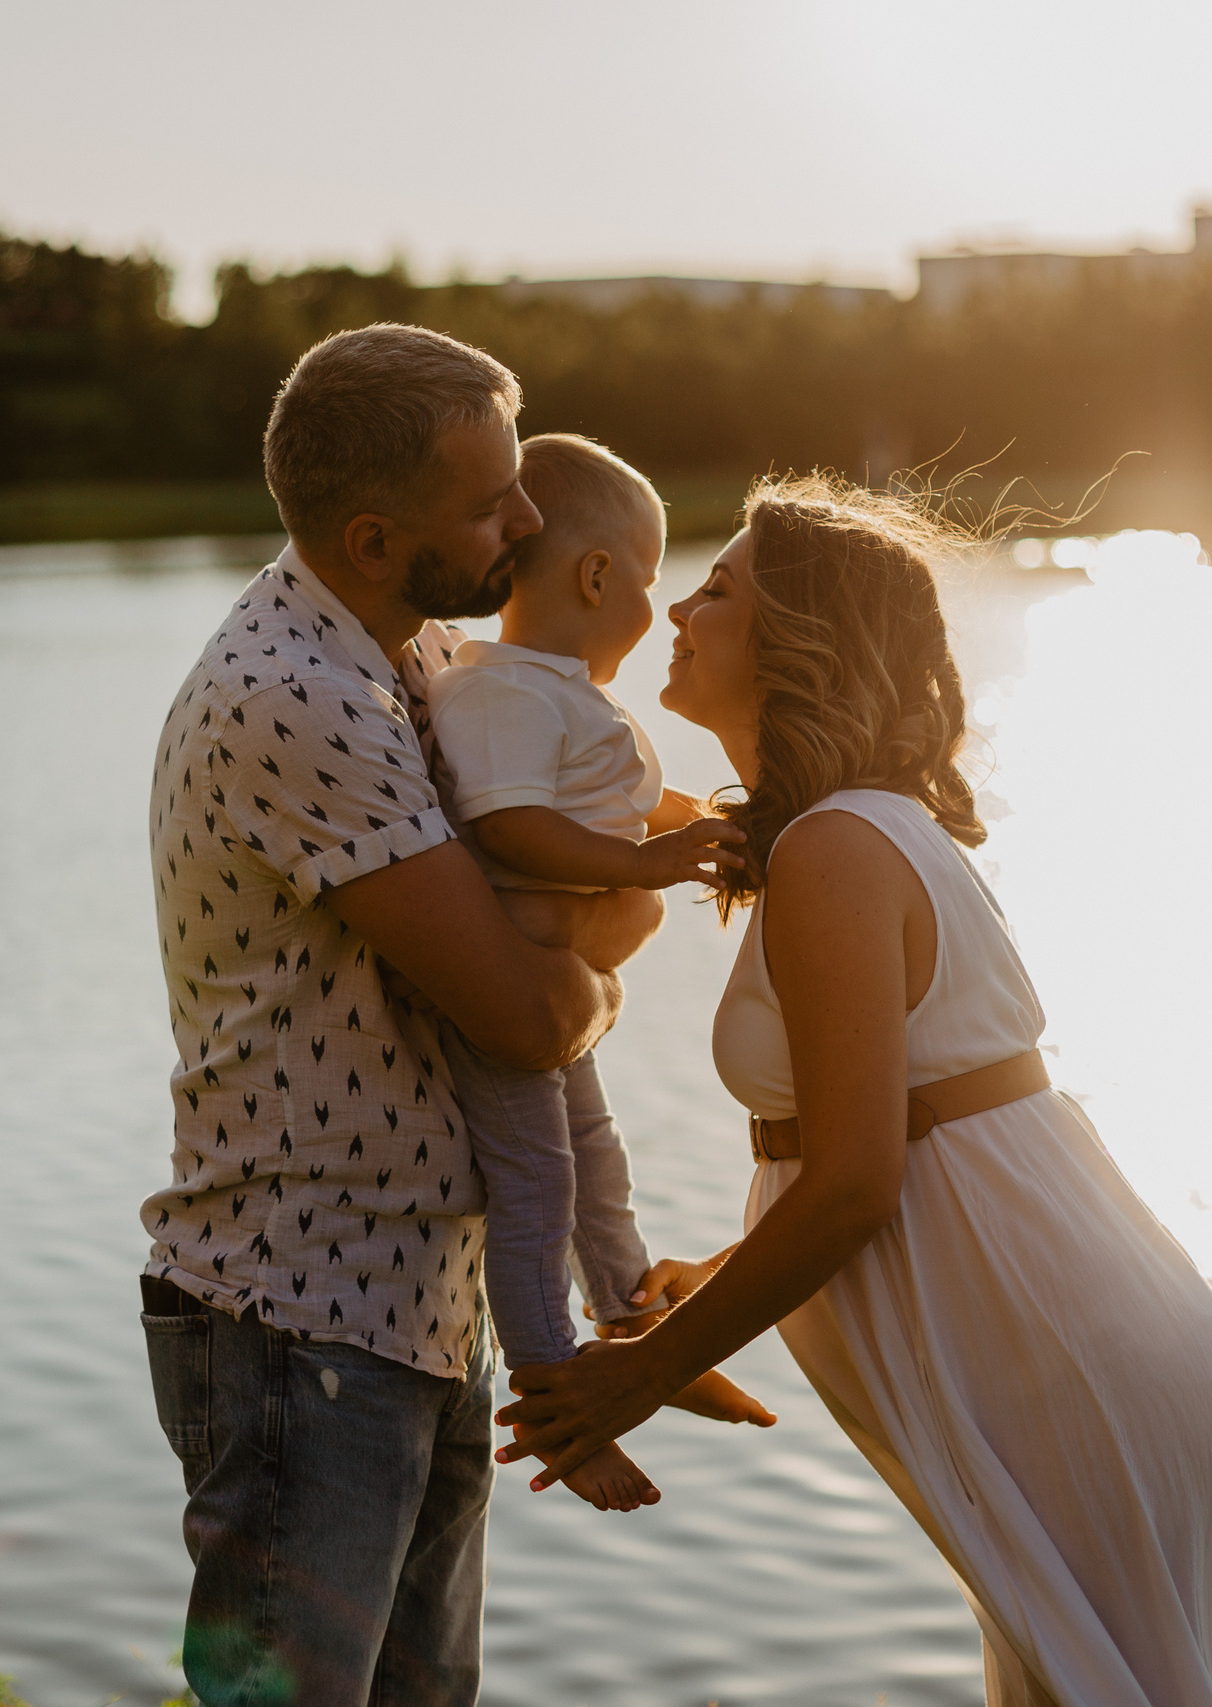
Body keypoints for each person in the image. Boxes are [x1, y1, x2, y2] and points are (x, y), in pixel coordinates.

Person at [494, 475, 1212, 1707]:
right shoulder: (846, 832)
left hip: (1070, 1377)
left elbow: (852, 1182)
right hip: (1065, 1359)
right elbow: (871, 1160)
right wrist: (718, 1285)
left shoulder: (837, 846)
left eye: (719, 589)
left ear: (797, 642)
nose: (679, 603)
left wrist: (643, 1369)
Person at [137, 324, 759, 1707]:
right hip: (301, 1317)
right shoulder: (296, 696)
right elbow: (530, 1015)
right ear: (372, 535)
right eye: (491, 503)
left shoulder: (414, 650)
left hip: (412, 1300)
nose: (530, 520)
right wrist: (624, 927)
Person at [424, 432, 766, 1514]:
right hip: (500, 1012)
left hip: (554, 1010)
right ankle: (553, 1392)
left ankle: (630, 1322)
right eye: (655, 581)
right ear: (597, 576)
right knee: (535, 1190)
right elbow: (514, 827)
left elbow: (616, 803)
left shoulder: (560, 694)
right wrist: (641, 864)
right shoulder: (499, 692)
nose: (658, 609)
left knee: (593, 1157)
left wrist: (711, 826)